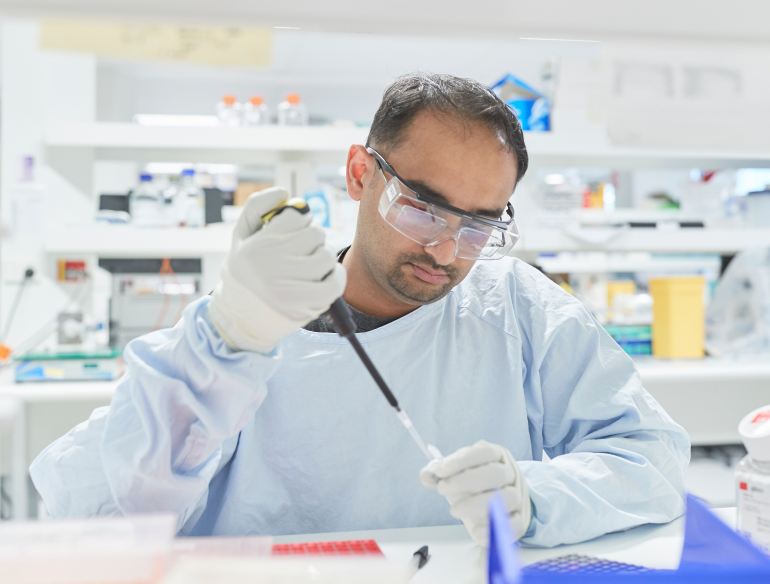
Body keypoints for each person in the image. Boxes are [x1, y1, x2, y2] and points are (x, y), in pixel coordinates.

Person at [30, 73, 689, 548]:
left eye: (479, 224)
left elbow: (651, 460)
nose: (445, 247)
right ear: (358, 173)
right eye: (423, 206)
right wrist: (228, 338)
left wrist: (540, 494)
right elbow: (109, 520)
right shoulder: (247, 322)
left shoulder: (521, 310)